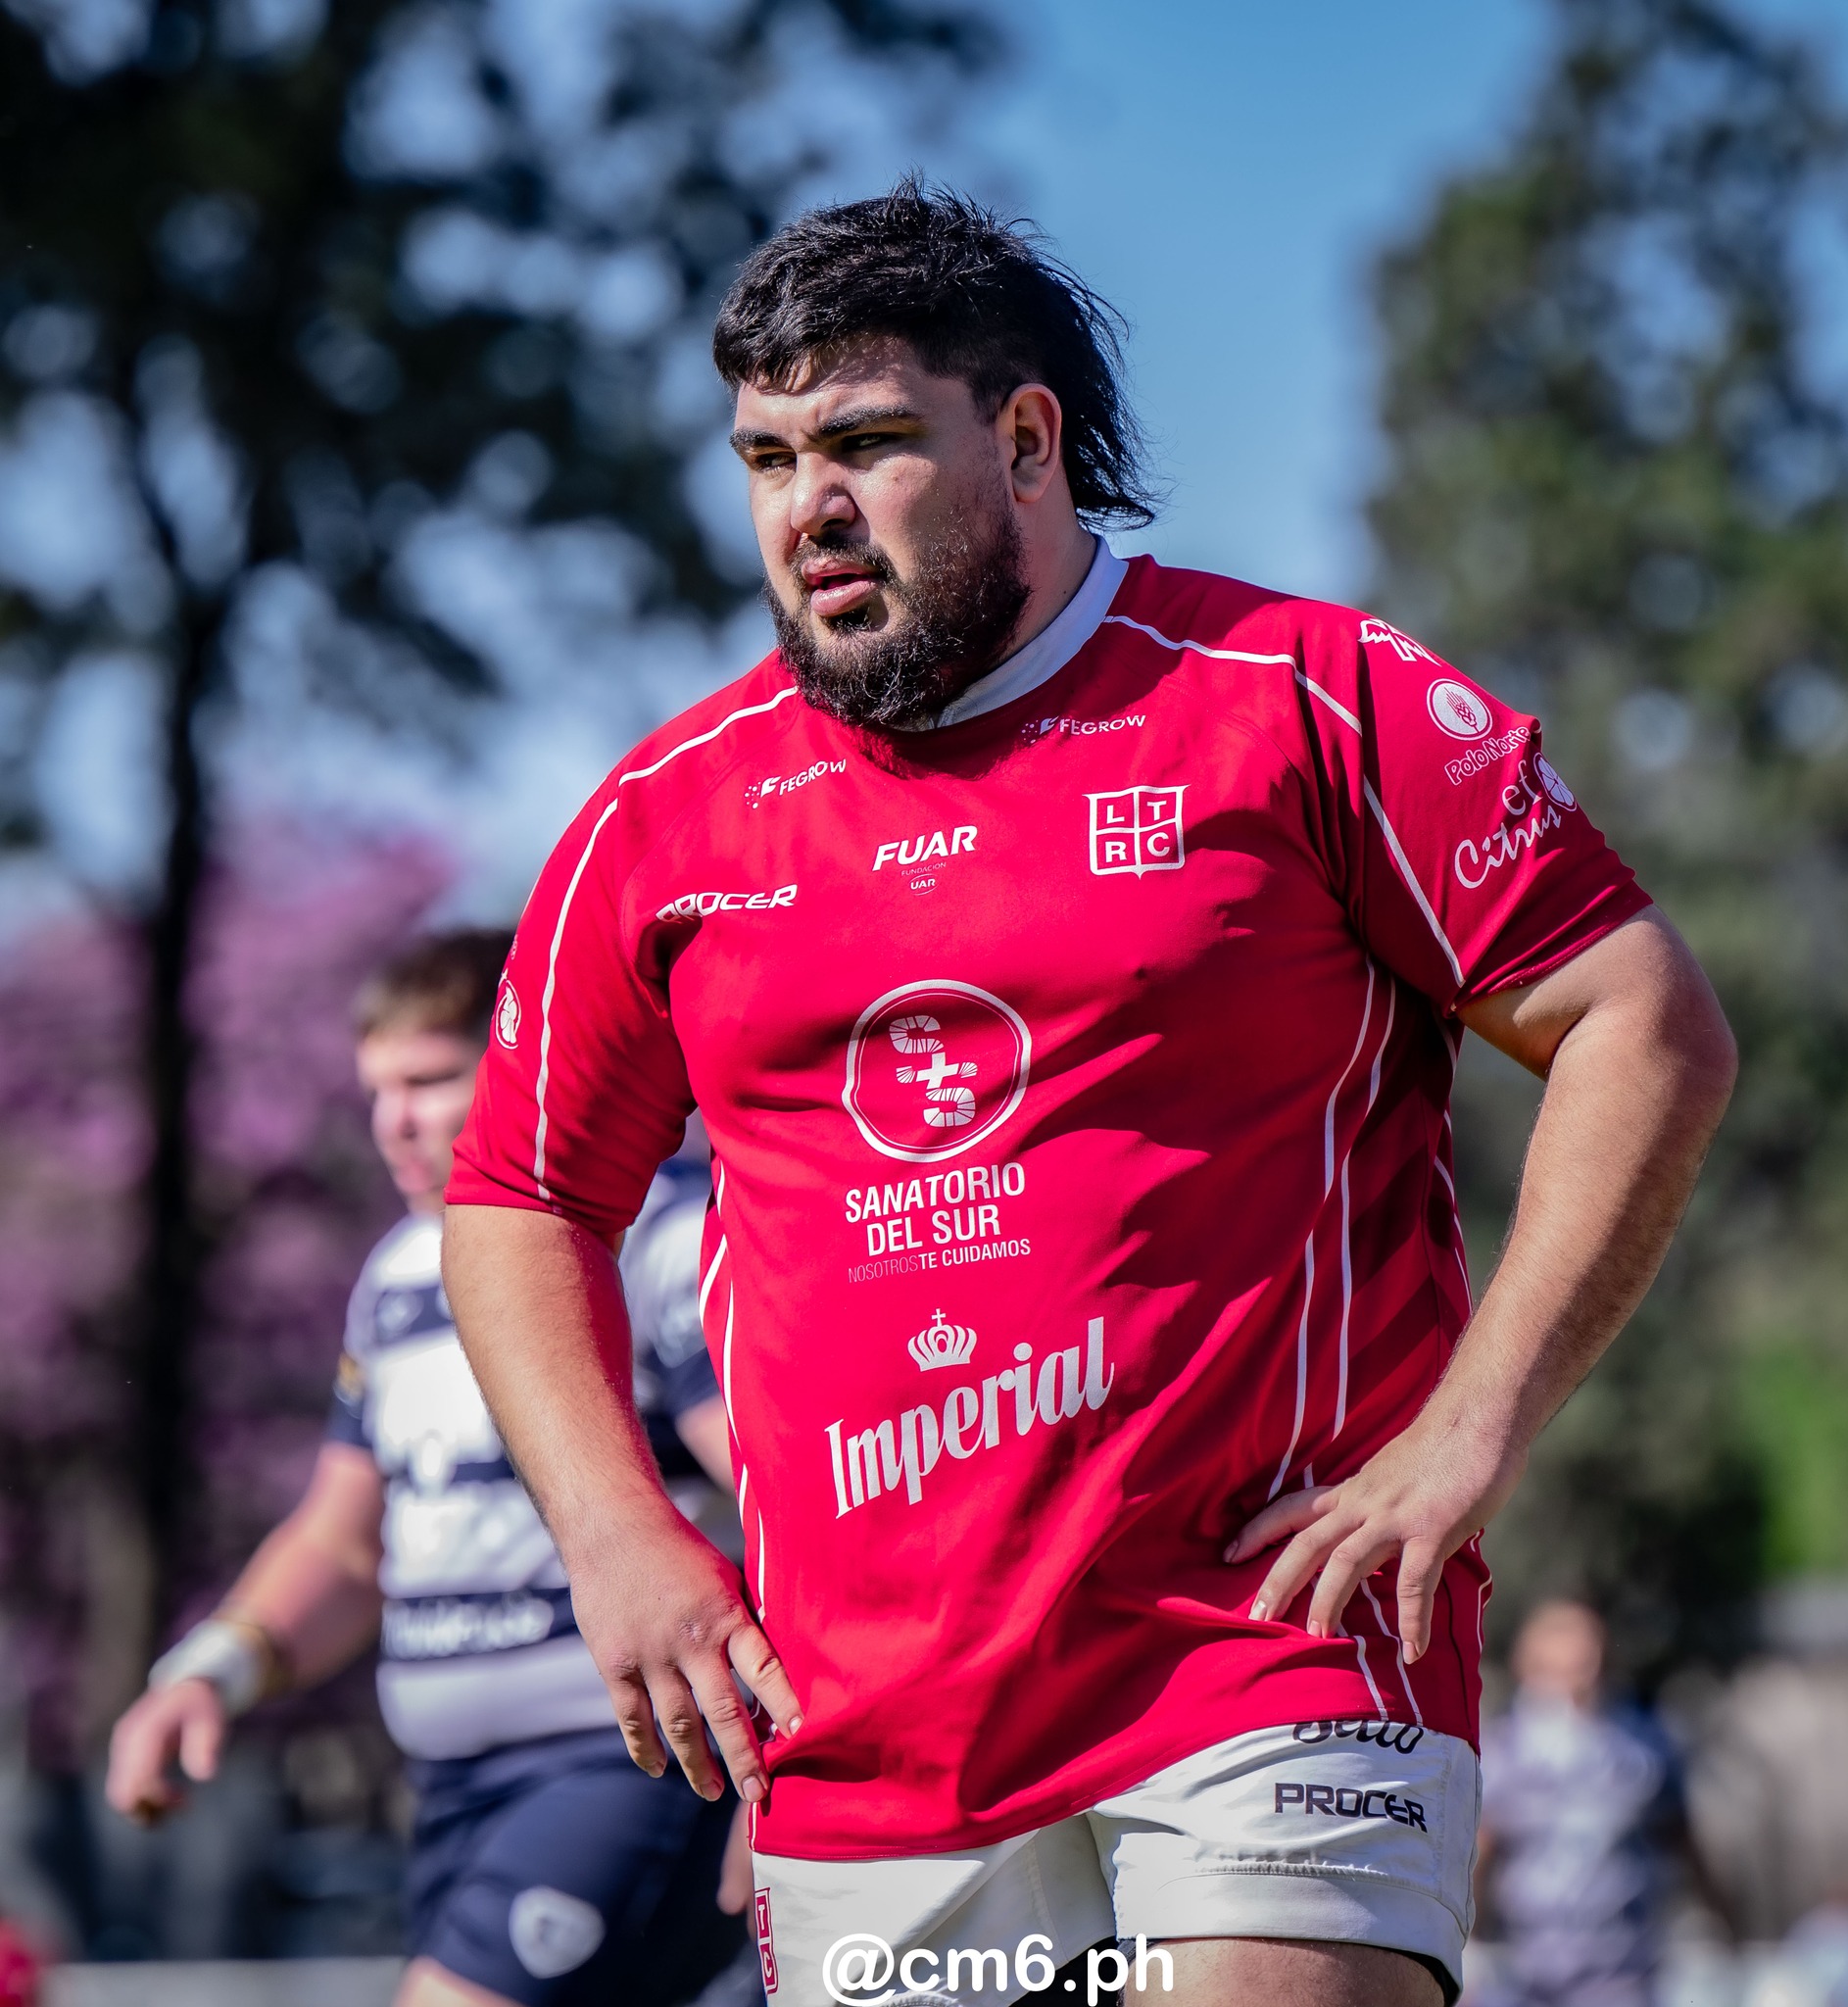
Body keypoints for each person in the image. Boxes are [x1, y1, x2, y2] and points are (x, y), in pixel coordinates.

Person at [442, 182, 1738, 2007]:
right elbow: (519, 1194)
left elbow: (1638, 1018)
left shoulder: (1301, 697)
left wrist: (1472, 1434)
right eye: (767, 460)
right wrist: (614, 1536)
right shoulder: (667, 818)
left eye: (866, 443)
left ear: (1028, 440)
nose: (807, 508)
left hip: (1273, 1656)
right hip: (868, 1732)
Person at [105, 931, 747, 2007]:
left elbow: (792, 1500)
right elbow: (342, 1541)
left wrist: (813, 1761)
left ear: (531, 1061)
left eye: (431, 1079)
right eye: (376, 1089)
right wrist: (209, 1671)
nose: (391, 1121)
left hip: (628, 1759)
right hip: (450, 1790)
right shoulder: (398, 1273)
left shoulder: (665, 1238)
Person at [1475, 1601, 1723, 2007]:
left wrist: (1724, 1926)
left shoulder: (1643, 1746)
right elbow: (1483, 1849)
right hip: (1528, 1966)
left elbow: (1682, 1837)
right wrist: (1468, 1941)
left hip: (1621, 1966)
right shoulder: (1505, 1751)